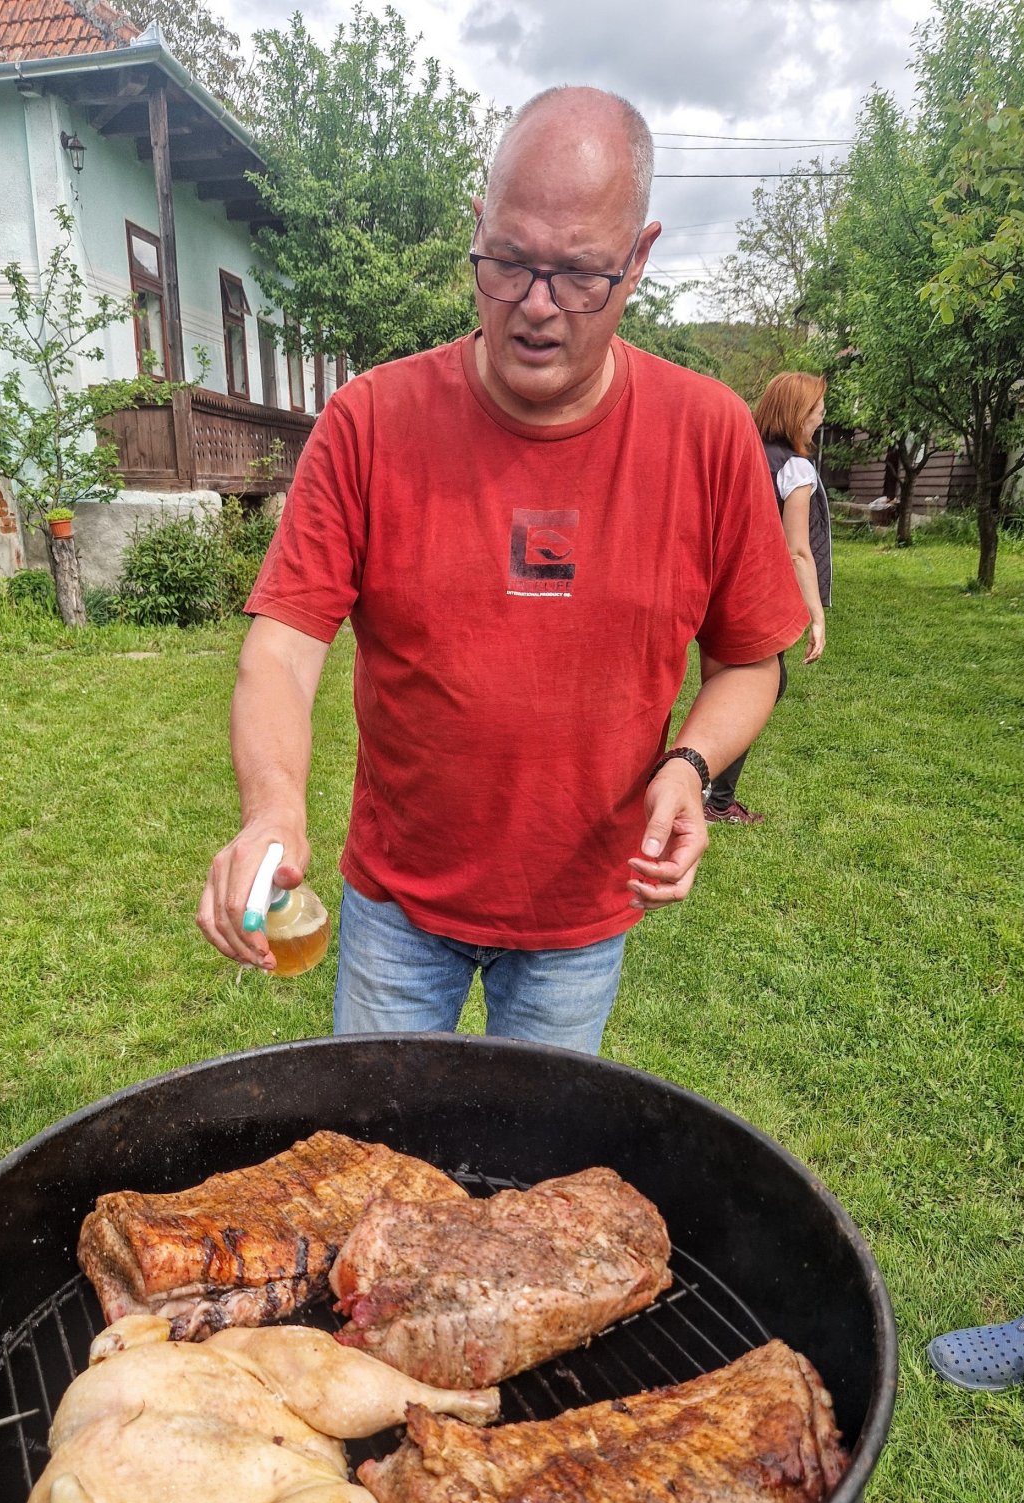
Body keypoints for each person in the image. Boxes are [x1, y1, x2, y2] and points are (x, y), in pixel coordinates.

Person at [196, 85, 809, 1054]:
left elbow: (750, 658)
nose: (535, 305)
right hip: (398, 905)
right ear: (478, 230)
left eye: (578, 276)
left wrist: (692, 765)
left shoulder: (707, 433)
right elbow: (282, 648)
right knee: (379, 1158)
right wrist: (273, 807)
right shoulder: (371, 420)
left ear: (638, 259)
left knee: (537, 1185)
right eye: (509, 262)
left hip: (580, 914)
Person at [703, 370, 830, 825]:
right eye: (817, 409)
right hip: (757, 591)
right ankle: (714, 798)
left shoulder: (746, 453)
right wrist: (816, 613)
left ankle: (707, 786)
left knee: (734, 683)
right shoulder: (796, 468)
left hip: (719, 583)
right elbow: (797, 550)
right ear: (799, 414)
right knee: (759, 685)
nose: (821, 417)